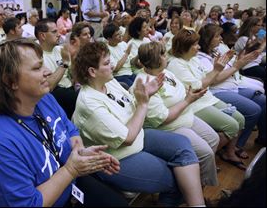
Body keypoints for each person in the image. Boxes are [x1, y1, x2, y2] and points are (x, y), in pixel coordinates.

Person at [0, 38, 128, 207]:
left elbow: (71, 131)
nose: (48, 71)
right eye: (37, 67)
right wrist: (71, 169)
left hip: (72, 185)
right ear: (10, 81)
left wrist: (80, 153)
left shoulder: (45, 99)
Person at [72, 41, 206, 207]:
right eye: (107, 63)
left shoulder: (108, 82)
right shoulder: (89, 103)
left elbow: (129, 104)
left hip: (138, 137)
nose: (113, 64)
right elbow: (128, 138)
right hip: (118, 157)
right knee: (177, 180)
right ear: (92, 71)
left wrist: (144, 94)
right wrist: (143, 103)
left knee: (183, 144)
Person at [134, 41, 220, 187]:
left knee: (214, 138)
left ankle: (197, 173)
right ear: (156, 59)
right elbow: (163, 119)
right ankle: (197, 187)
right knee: (206, 152)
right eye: (163, 53)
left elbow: (181, 90)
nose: (167, 55)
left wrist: (189, 96)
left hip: (185, 116)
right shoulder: (143, 84)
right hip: (169, 126)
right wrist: (187, 100)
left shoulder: (166, 72)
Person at [168, 29, 247, 170]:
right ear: (185, 47)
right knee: (232, 126)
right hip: (195, 104)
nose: (198, 47)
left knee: (240, 119)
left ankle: (227, 152)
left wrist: (219, 66)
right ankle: (204, 158)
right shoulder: (176, 64)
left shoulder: (194, 59)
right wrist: (216, 70)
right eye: (195, 44)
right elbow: (197, 87)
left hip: (208, 98)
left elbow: (209, 78)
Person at [198, 24, 266, 157]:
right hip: (218, 90)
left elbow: (229, 68)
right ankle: (235, 146)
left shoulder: (215, 52)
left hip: (230, 84)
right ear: (208, 39)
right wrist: (236, 65)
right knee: (254, 110)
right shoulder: (201, 57)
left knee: (262, 100)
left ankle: (258, 138)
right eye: (217, 36)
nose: (221, 39)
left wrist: (239, 62)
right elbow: (215, 80)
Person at [35, 19, 78, 119]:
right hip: (55, 94)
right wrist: (65, 63)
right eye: (54, 32)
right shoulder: (37, 56)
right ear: (43, 36)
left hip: (70, 89)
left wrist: (75, 57)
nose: (59, 34)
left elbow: (73, 75)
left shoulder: (60, 49)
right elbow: (49, 86)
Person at [103, 23, 136, 87]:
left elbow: (131, 62)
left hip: (130, 73)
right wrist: (126, 54)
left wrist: (138, 56)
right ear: (109, 39)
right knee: (134, 88)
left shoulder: (123, 44)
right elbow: (115, 69)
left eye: (120, 33)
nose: (120, 36)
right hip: (120, 76)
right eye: (117, 35)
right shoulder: (107, 50)